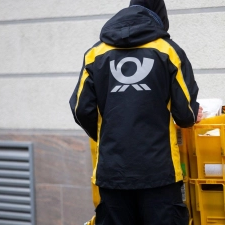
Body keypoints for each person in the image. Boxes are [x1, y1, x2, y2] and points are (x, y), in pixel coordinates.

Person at [69, 0, 202, 224]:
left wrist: (108, 135)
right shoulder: (168, 51)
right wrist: (192, 114)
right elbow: (185, 113)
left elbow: (81, 109)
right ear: (160, 15)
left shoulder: (96, 53)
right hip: (159, 172)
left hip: (112, 173)